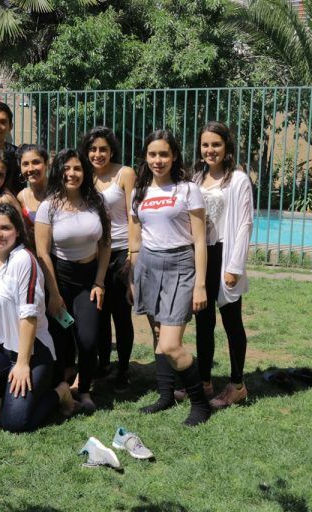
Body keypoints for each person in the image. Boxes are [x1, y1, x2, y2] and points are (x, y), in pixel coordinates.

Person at [0, 204, 78, 432]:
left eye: (5, 228)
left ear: (18, 231)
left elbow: (29, 315)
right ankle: (4, 396)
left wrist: (22, 364)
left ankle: (60, 392)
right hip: (0, 349)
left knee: (15, 423)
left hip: (32, 352)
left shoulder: (24, 260)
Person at [130, 130, 210, 426]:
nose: (158, 160)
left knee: (171, 344)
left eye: (164, 154)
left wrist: (200, 284)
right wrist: (133, 276)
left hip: (180, 264)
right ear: (145, 157)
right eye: (152, 154)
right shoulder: (139, 191)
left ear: (174, 156)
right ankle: (165, 395)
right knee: (156, 334)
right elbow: (136, 239)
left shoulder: (188, 189)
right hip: (148, 265)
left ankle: (200, 404)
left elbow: (199, 240)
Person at [35, 148, 111, 412]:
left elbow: (105, 244)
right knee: (59, 339)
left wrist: (99, 282)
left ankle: (85, 389)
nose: (72, 173)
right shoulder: (48, 206)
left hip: (89, 280)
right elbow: (42, 252)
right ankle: (62, 390)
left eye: (77, 168)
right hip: (59, 278)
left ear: (85, 172)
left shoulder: (97, 202)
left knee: (88, 339)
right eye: (66, 168)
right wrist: (54, 294)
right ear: (58, 172)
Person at [191, 121, 253, 409]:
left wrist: (235, 267)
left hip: (225, 256)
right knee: (203, 323)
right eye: (205, 144)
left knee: (231, 322)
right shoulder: (196, 179)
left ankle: (237, 385)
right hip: (202, 257)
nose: (210, 150)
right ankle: (204, 381)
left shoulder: (238, 179)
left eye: (216, 144)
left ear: (226, 146)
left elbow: (244, 224)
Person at [81, 127, 137, 392]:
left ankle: (123, 369)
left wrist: (133, 254)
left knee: (121, 314)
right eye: (92, 149)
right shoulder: (84, 176)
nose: (97, 154)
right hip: (93, 253)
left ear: (112, 150)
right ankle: (103, 364)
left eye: (103, 149)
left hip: (121, 251)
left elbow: (133, 216)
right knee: (98, 313)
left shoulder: (124, 173)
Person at [16, 144, 49, 250]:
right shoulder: (22, 197)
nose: (30, 169)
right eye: (25, 164)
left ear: (46, 163)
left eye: (36, 162)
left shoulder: (60, 191)